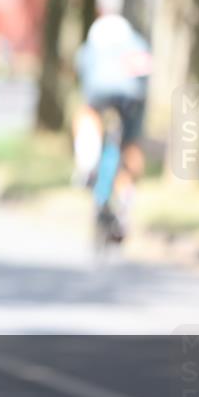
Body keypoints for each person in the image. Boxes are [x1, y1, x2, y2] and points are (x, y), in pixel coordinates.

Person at [72, 13, 152, 239]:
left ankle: (87, 166)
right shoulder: (137, 43)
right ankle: (126, 197)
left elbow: (81, 70)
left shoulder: (92, 46)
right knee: (131, 144)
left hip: (99, 94)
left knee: (86, 114)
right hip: (132, 99)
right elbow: (146, 72)